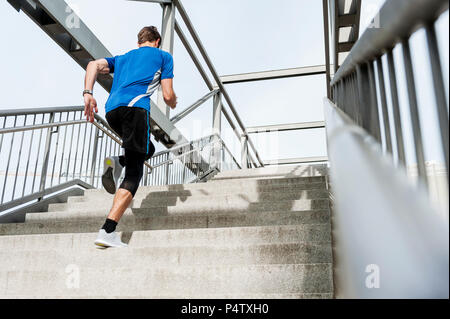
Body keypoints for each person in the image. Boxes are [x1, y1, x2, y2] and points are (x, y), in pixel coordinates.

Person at [82, 26, 177, 248]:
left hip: (112, 110)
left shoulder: (123, 58)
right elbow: (167, 94)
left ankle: (117, 162)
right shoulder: (164, 56)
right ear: (157, 41)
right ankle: (107, 231)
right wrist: (173, 101)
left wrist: (88, 93)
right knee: (134, 172)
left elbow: (93, 64)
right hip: (135, 109)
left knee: (148, 149)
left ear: (139, 42)